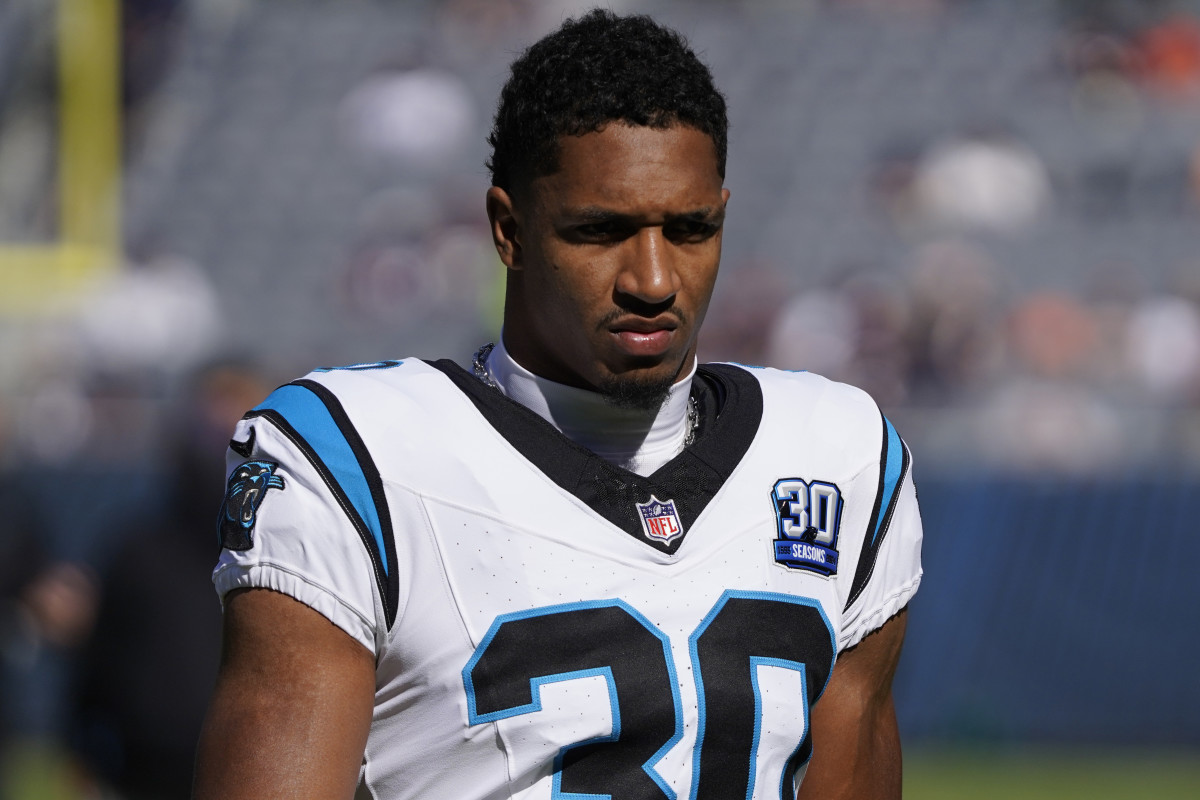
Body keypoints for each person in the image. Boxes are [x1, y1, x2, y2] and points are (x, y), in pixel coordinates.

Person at [193, 9, 922, 800]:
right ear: (509, 229)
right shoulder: (356, 457)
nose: (652, 280)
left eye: (690, 229)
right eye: (601, 231)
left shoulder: (839, 455)